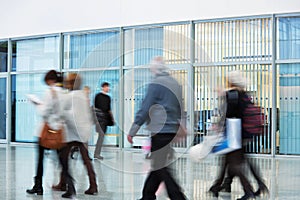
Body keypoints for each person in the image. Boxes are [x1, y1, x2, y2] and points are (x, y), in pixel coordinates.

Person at [127, 56, 186, 200]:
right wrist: (180, 126)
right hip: (171, 129)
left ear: (154, 70)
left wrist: (133, 130)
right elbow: (180, 107)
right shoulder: (175, 83)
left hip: (159, 130)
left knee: (161, 166)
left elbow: (146, 107)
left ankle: (178, 197)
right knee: (158, 163)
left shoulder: (156, 84)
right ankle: (147, 195)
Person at [209, 71, 257, 200]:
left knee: (235, 163)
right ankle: (216, 186)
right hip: (239, 132)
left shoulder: (233, 95)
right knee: (226, 161)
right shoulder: (242, 94)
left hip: (234, 133)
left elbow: (228, 113)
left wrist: (219, 125)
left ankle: (248, 191)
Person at [59, 73, 98, 198]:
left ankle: (66, 185)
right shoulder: (83, 96)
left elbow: (64, 113)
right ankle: (93, 185)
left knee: (63, 158)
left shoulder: (69, 96)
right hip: (83, 132)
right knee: (86, 160)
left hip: (71, 132)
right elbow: (88, 114)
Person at [26, 70, 65, 195]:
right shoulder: (64, 93)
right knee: (62, 159)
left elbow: (43, 112)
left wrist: (37, 104)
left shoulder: (50, 92)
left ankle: (38, 186)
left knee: (40, 160)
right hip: (59, 131)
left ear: (50, 80)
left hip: (46, 132)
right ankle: (67, 184)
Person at [93, 82, 114, 160]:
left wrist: (112, 118)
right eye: (107, 87)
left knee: (101, 136)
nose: (108, 88)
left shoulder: (108, 98)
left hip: (104, 120)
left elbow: (109, 109)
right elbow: (96, 108)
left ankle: (97, 153)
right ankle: (97, 153)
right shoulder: (98, 96)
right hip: (99, 119)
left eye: (108, 87)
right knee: (101, 136)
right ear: (103, 87)